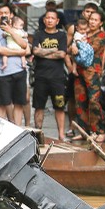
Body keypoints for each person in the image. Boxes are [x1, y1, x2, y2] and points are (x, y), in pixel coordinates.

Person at [69, 10, 105, 141]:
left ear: (100, 23)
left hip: (93, 73)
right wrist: (72, 48)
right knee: (80, 101)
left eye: (96, 20)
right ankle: (83, 131)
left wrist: (76, 48)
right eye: (91, 19)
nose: (92, 22)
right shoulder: (83, 33)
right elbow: (70, 48)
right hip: (79, 71)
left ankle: (100, 131)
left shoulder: (101, 35)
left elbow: (91, 50)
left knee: (93, 101)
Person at [31, 9, 69, 140]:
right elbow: (35, 51)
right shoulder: (38, 34)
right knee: (38, 107)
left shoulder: (62, 35)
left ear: (57, 21)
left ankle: (61, 135)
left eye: (53, 18)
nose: (50, 20)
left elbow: (62, 54)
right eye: (47, 18)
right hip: (40, 77)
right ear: (44, 20)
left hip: (57, 78)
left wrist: (44, 51)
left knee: (60, 106)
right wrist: (53, 50)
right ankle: (37, 134)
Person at [0, 6, 30, 125]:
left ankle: (17, 129)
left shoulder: (18, 30)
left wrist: (10, 31)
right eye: (0, 13)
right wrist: (20, 52)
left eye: (6, 13)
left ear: (11, 15)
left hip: (20, 71)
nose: (3, 15)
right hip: (3, 73)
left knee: (19, 103)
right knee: (3, 103)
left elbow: (26, 48)